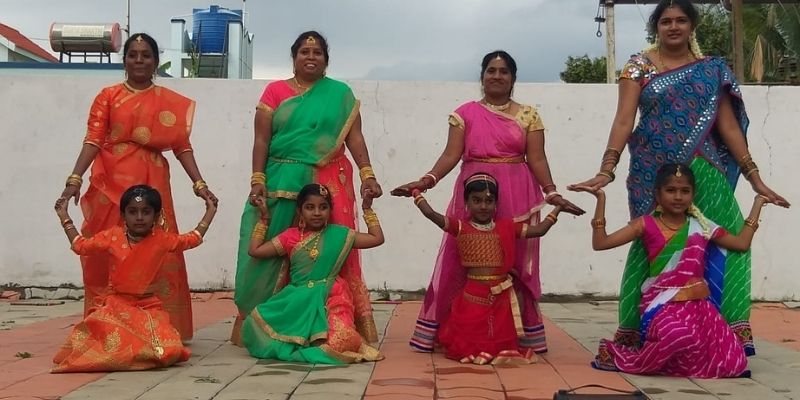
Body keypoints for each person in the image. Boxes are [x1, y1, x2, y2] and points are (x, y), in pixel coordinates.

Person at [568, 0, 790, 355]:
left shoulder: (712, 70)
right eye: (666, 21)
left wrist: (755, 179)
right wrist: (606, 170)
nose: (673, 26)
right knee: (651, 244)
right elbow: (624, 120)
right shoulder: (639, 66)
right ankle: (638, 332)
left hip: (705, 167)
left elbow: (729, 127)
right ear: (656, 27)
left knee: (730, 241)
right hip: (653, 171)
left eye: (681, 20)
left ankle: (727, 332)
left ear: (692, 26)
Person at [391, 50, 584, 354]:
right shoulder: (465, 113)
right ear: (482, 76)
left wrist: (551, 193)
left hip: (517, 193)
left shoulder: (528, 116)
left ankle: (517, 333)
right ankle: (454, 329)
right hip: (473, 189)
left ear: (513, 78)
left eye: (503, 71)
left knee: (515, 260)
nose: (497, 76)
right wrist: (425, 181)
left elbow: (537, 158)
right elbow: (450, 154)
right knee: (460, 256)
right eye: (491, 70)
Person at [57, 33, 218, 340]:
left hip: (152, 179)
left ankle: (162, 326)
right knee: (107, 248)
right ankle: (105, 323)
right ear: (125, 60)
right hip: (111, 183)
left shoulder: (167, 101)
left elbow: (182, 146)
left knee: (158, 248)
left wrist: (199, 184)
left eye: (146, 55)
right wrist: (74, 179)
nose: (139, 60)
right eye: (133, 54)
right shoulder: (108, 96)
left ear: (156, 62)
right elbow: (93, 140)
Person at [232, 31, 382, 346]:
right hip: (280, 178)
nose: (311, 57)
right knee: (269, 244)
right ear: (294, 57)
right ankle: (258, 320)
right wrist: (257, 179)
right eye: (304, 51)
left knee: (332, 248)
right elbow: (262, 139)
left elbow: (354, 138)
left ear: (326, 60)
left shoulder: (340, 94)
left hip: (328, 180)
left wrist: (367, 174)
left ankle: (334, 324)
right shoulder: (274, 91)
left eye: (317, 52)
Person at [572, 164, 775, 377]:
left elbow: (741, 244)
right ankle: (645, 359)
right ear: (657, 194)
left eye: (685, 191)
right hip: (661, 304)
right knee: (677, 335)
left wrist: (758, 203)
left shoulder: (702, 226)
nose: (678, 197)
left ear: (693, 195)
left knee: (734, 361)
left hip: (698, 307)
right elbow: (601, 243)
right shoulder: (645, 224)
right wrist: (601, 199)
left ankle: (672, 363)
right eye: (671, 190)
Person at [51, 185, 216, 372]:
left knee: (168, 351)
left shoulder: (162, 240)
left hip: (148, 308)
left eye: (146, 212)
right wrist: (64, 217)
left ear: (156, 216)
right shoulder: (112, 237)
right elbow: (80, 246)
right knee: (104, 338)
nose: (139, 217)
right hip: (115, 306)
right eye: (132, 211)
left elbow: (193, 239)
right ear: (123, 215)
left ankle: (131, 355)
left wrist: (210, 211)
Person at [411, 173, 562, 364]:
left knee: (499, 333)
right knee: (470, 334)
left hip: (502, 296)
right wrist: (416, 193)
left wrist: (558, 209)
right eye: (476, 200)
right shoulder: (460, 227)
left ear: (496, 204)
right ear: (466, 203)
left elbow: (539, 230)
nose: (483, 206)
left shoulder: (507, 227)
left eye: (489, 201)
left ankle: (494, 350)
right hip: (473, 294)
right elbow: (431, 214)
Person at [240, 183, 384, 364]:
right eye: (310, 207)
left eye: (323, 207)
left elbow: (377, 238)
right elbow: (255, 251)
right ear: (299, 211)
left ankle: (314, 342)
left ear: (330, 210)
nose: (317, 213)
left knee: (342, 342)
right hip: (297, 298)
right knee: (254, 323)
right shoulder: (290, 236)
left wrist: (367, 208)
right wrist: (264, 219)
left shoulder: (340, 234)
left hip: (332, 297)